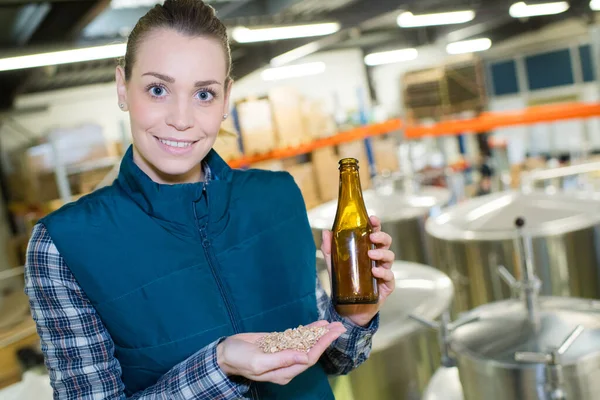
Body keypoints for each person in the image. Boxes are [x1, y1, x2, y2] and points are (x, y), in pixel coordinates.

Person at [23, 1, 396, 399]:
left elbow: (333, 358)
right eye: (158, 89)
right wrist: (220, 366)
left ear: (225, 99)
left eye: (203, 93)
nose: (181, 118)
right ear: (122, 87)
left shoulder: (278, 197)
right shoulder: (63, 245)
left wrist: (353, 318)